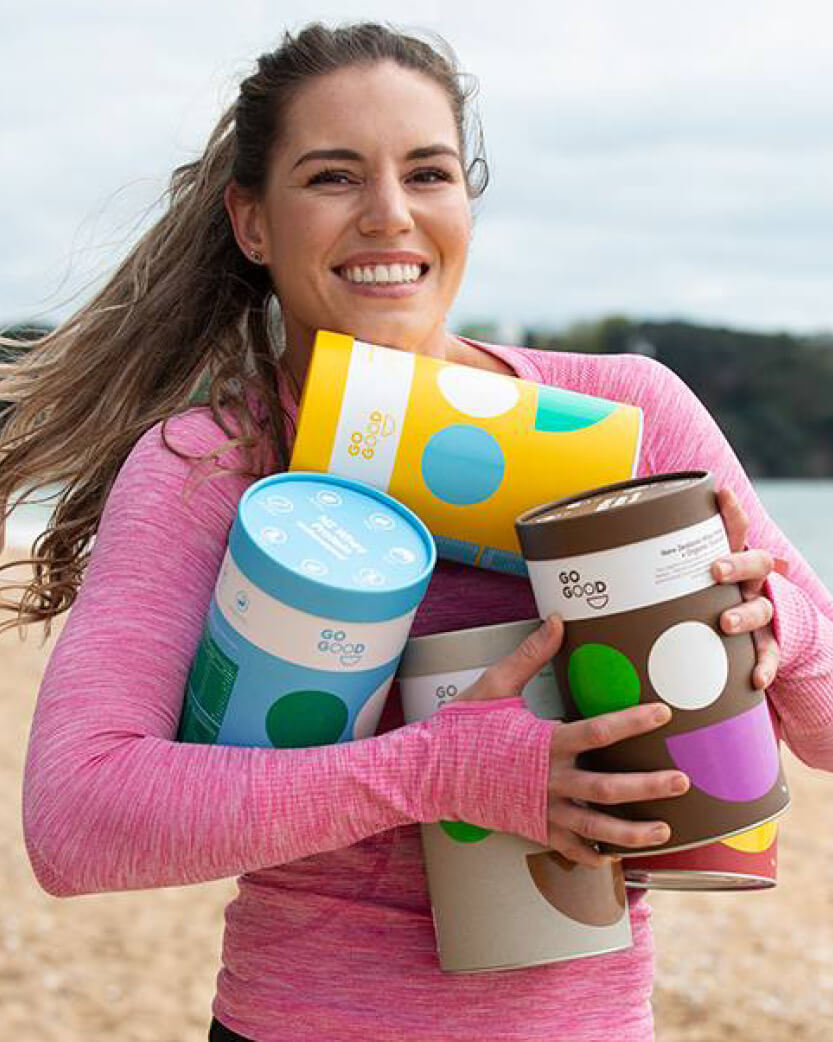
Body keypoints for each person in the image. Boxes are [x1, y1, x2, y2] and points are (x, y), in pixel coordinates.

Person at [2, 21, 832, 1042]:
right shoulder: (210, 466)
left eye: (427, 172)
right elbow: (78, 824)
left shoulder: (622, 418)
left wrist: (776, 624)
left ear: (465, 202)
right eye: (333, 177)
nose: (388, 216)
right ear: (251, 221)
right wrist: (428, 771)